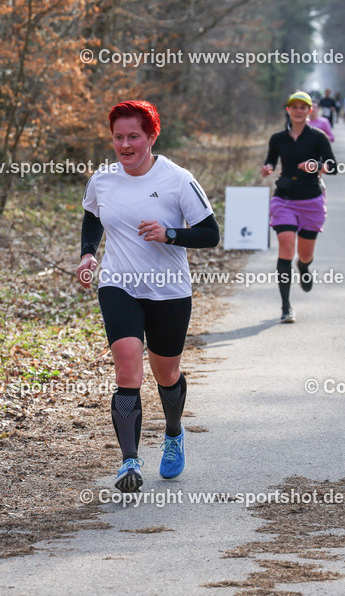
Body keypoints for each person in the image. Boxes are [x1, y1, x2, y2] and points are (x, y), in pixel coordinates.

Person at [77, 100, 220, 493]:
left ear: (152, 137)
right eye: (118, 137)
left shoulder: (177, 179)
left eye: (133, 137)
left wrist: (170, 234)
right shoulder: (103, 179)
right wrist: (89, 253)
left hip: (169, 291)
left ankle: (173, 433)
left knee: (166, 373)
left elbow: (211, 233)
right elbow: (92, 214)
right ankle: (129, 462)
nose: (125, 145)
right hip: (118, 285)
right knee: (127, 370)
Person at [260, 91, 336, 323]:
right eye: (295, 107)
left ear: (309, 110)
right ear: (288, 110)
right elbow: (272, 159)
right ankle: (286, 307)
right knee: (285, 245)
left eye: (303, 107)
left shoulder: (318, 137)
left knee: (305, 253)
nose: (299, 111)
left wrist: (316, 165)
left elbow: (332, 165)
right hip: (284, 198)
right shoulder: (278, 138)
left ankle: (303, 266)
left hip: (311, 200)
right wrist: (268, 167)